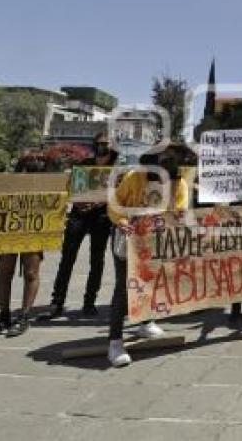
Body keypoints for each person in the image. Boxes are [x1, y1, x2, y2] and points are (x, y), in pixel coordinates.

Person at [106, 144, 189, 367]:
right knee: (124, 288)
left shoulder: (179, 183)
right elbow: (114, 205)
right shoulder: (135, 177)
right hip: (129, 240)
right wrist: (121, 221)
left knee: (151, 283)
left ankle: (145, 321)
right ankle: (115, 341)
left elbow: (180, 210)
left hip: (155, 242)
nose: (171, 160)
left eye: (174, 157)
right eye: (166, 156)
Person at [44, 131, 118, 319]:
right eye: (100, 143)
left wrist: (101, 201)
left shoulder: (117, 169)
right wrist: (78, 202)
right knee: (67, 258)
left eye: (106, 144)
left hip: (102, 217)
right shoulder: (84, 165)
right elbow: (72, 188)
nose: (103, 147)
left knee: (97, 260)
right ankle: (57, 302)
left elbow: (118, 194)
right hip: (79, 215)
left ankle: (89, 302)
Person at [0, 155, 47, 337]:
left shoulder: (45, 189)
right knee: (5, 272)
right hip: (7, 231)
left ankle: (24, 316)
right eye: (25, 171)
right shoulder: (7, 187)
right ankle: (4, 316)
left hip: (33, 231)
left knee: (31, 273)